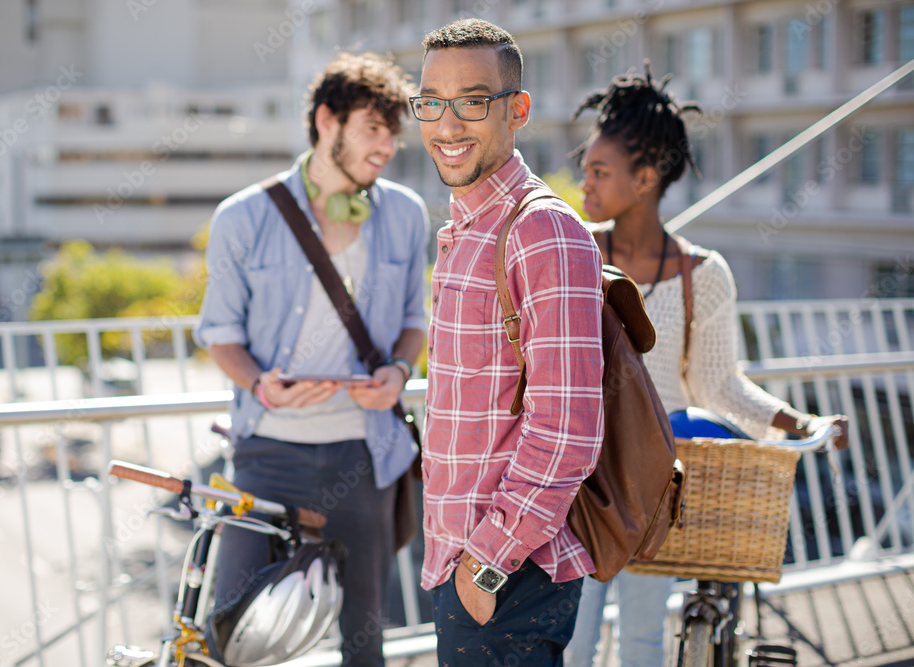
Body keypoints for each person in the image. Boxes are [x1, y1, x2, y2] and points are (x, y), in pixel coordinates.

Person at [563, 65, 849, 667]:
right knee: (571, 645)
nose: (582, 183)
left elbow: (718, 386)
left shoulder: (705, 276)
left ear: (644, 178)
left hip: (653, 481)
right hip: (577, 479)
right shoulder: (571, 254)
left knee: (642, 642)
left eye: (598, 172)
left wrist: (801, 423)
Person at [193, 51, 429, 667]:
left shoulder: (405, 213)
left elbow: (412, 323)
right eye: (373, 129)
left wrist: (399, 372)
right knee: (234, 636)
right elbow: (219, 334)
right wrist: (261, 385)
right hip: (267, 453)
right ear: (328, 121)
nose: (387, 146)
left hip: (364, 451)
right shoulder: (243, 216)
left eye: (393, 133)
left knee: (363, 644)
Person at [413, 19, 604, 666]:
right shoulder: (466, 224)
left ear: (516, 109)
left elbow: (568, 430)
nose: (447, 123)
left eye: (472, 100)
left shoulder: (542, 229)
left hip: (506, 577)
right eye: (431, 101)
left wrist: (484, 565)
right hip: (461, 565)